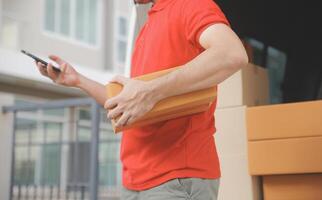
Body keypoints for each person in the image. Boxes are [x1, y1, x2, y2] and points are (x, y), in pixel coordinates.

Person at [36, 0, 248, 199]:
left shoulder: (190, 4)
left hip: (176, 178)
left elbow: (231, 53)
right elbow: (128, 102)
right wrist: (77, 80)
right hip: (134, 181)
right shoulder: (149, 25)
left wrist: (151, 92)